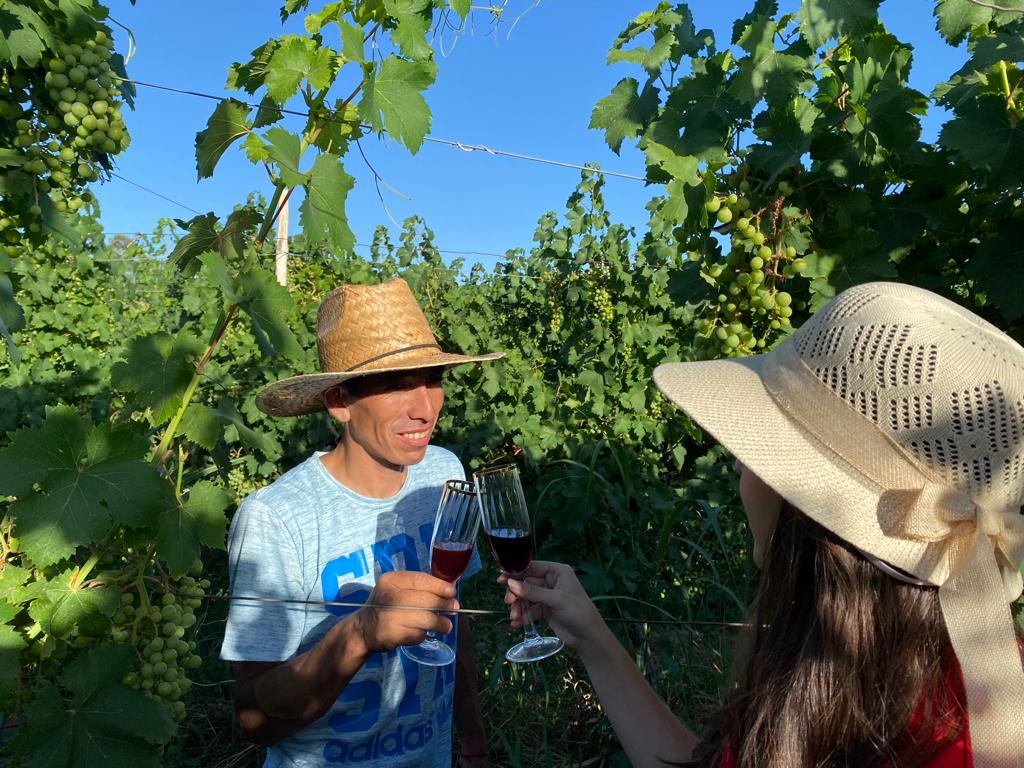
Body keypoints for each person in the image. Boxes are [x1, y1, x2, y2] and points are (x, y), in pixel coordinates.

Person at [502, 282, 1024, 767]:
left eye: (757, 450)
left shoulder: (931, 737)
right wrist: (593, 640)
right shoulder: (943, 686)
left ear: (809, 511)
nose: (737, 464)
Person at [220, 277, 503, 768]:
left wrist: (472, 739)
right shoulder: (276, 518)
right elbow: (254, 719)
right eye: (396, 386)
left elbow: (453, 621)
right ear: (339, 403)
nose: (426, 408)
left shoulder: (442, 473)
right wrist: (358, 635)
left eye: (433, 379)